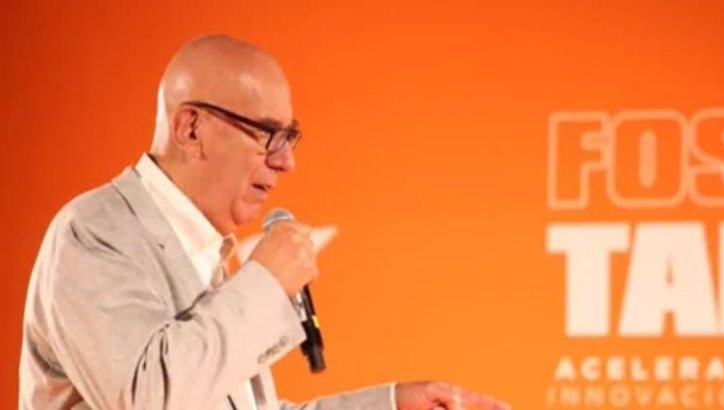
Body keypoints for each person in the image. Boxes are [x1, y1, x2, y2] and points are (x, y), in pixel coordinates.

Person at [18, 34, 511, 410]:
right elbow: (151, 398)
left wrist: (392, 405)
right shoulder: (94, 231)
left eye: (290, 138)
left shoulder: (206, 254)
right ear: (191, 128)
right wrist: (267, 280)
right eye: (267, 134)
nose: (285, 161)